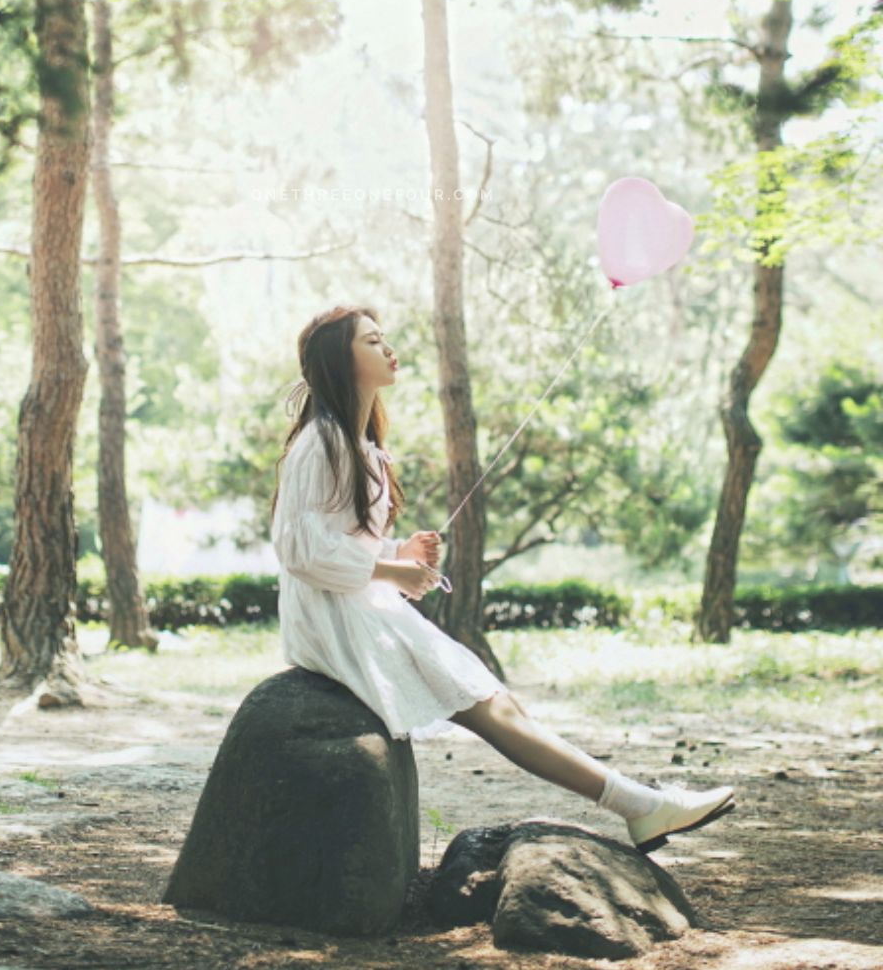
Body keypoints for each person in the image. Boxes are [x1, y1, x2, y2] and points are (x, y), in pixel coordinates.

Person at [269, 303, 736, 855]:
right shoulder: (320, 441)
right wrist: (390, 568)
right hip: (333, 620)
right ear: (339, 361)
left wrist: (399, 550)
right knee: (492, 709)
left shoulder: (359, 445)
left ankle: (642, 805)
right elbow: (297, 548)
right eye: (372, 342)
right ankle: (639, 807)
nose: (389, 348)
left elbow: (338, 539)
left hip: (359, 606)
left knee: (499, 703)